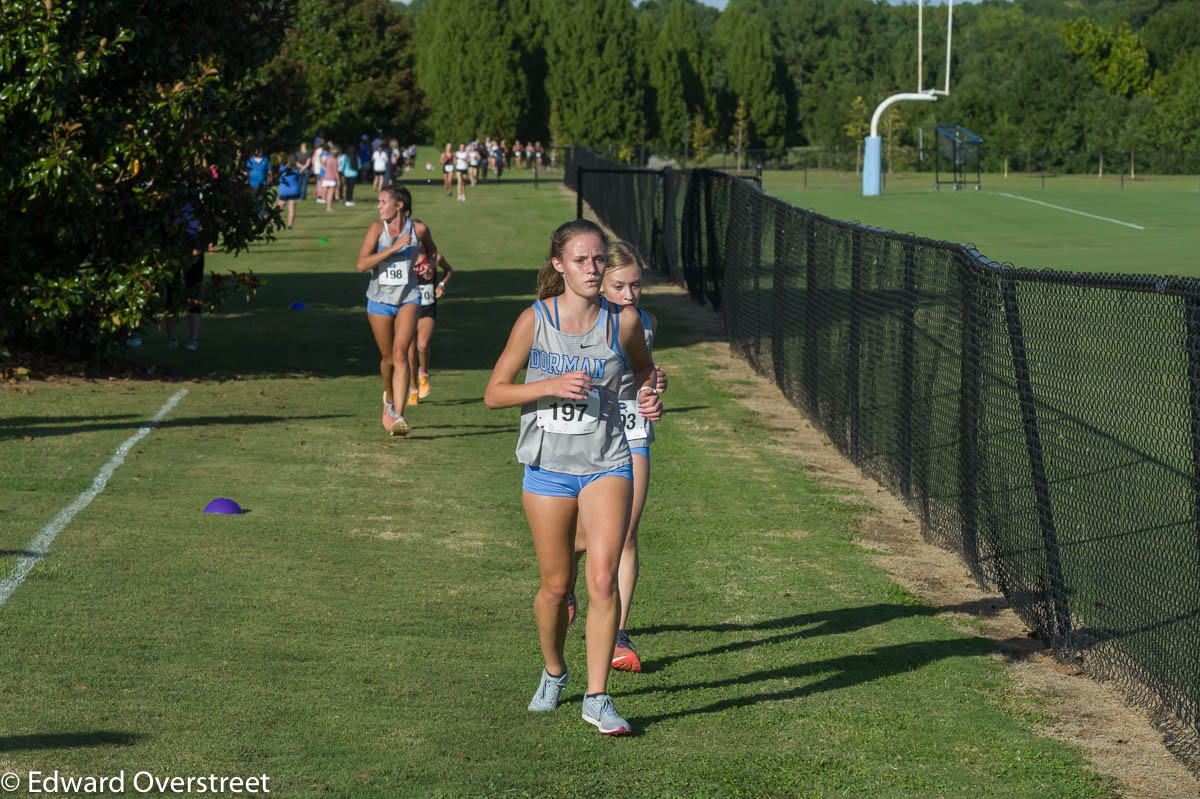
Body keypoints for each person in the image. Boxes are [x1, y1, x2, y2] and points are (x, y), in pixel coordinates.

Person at [483, 219, 663, 736]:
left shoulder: (622, 322)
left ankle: (598, 696)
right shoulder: (534, 321)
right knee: (555, 587)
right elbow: (494, 392)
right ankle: (555, 671)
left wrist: (649, 393)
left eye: (598, 260)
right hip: (548, 467)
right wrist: (551, 385)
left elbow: (644, 372)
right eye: (581, 260)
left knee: (603, 576)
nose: (592, 268)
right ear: (559, 265)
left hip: (608, 461)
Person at [570, 241, 668, 673]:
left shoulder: (645, 322)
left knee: (627, 532)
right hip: (586, 427)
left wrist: (654, 391)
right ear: (598, 282)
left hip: (630, 426)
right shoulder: (576, 321)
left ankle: (619, 634)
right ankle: (566, 590)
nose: (630, 295)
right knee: (580, 540)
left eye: (636, 286)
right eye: (620, 286)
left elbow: (647, 373)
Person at [356, 186, 439, 437]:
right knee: (388, 359)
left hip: (408, 298)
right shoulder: (375, 229)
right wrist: (394, 248)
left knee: (401, 353)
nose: (379, 206)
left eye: (383, 202)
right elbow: (361, 264)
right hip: (379, 300)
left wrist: (429, 267)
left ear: (399, 205)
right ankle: (389, 399)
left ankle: (399, 416)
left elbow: (433, 252)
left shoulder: (418, 229)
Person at [405, 247, 453, 407]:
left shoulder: (435, 258)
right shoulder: (406, 259)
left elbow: (448, 270)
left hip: (427, 308)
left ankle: (423, 374)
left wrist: (441, 285)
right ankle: (413, 390)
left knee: (422, 345)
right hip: (410, 309)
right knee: (410, 354)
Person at [276, 154, 301, 230]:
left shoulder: (282, 168)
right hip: (294, 190)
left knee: (279, 208)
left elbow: (278, 177)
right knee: (292, 209)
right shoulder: (296, 169)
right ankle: (290, 226)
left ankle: (272, 223)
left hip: (284, 190)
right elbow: (297, 178)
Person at [321, 145, 340, 212]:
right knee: (330, 193)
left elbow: (323, 163)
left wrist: (325, 169)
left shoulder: (328, 158)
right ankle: (329, 208)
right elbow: (336, 172)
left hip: (326, 177)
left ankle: (324, 200)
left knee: (327, 192)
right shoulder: (334, 160)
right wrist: (338, 180)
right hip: (331, 178)